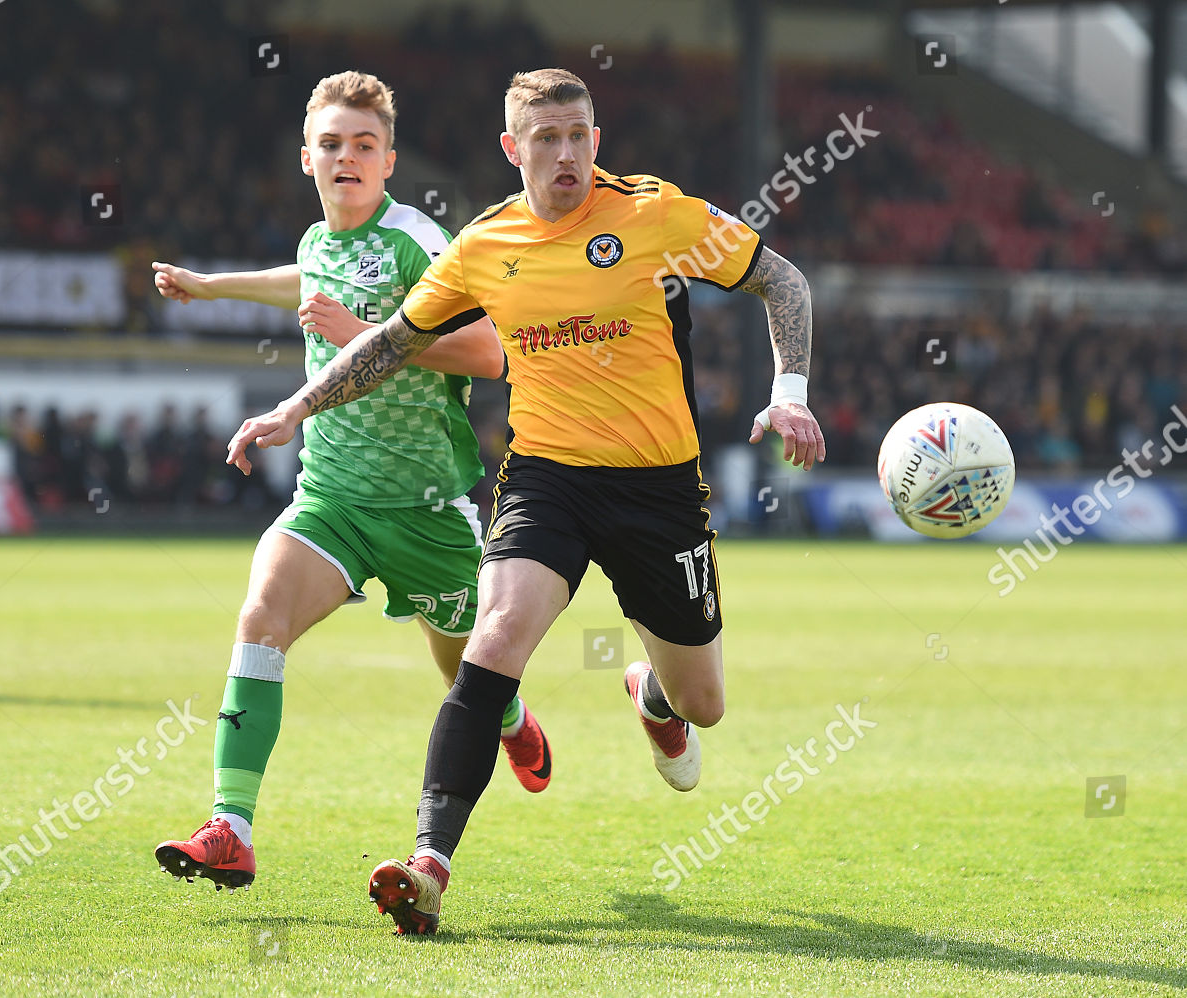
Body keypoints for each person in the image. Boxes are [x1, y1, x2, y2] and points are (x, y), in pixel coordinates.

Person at [225, 68, 825, 933]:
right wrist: (293, 407)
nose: (568, 154)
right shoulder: (481, 247)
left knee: (704, 705)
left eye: (580, 135)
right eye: (547, 139)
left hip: (659, 487)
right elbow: (393, 343)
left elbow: (785, 282)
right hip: (547, 479)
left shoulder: (654, 213)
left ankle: (652, 696)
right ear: (514, 150)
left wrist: (792, 390)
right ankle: (428, 864)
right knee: (496, 637)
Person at [149, 71, 554, 892]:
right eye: (331, 145)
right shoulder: (316, 240)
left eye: (363, 146)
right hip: (330, 499)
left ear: (389, 159)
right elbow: (300, 280)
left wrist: (363, 333)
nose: (347, 158)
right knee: (260, 617)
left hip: (428, 512)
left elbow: (489, 353)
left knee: (468, 673)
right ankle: (230, 826)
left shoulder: (419, 241)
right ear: (307, 158)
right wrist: (209, 286)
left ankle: (509, 717)